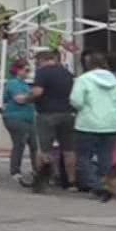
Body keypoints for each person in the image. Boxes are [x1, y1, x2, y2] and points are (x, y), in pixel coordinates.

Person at [71, 51, 116, 197]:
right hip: (111, 123)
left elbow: (76, 101)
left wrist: (83, 109)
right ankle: (106, 183)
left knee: (84, 157)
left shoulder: (83, 79)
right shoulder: (114, 79)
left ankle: (95, 184)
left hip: (87, 123)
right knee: (106, 156)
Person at [28, 47, 77, 192]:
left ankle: (43, 180)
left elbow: (37, 92)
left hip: (47, 114)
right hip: (68, 113)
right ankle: (72, 182)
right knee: (69, 150)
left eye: (37, 62)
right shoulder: (67, 73)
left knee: (44, 149)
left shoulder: (42, 72)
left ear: (42, 60)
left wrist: (25, 98)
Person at [1, 57, 38, 183]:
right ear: (18, 70)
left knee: (34, 144)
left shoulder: (25, 84)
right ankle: (15, 170)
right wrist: (34, 95)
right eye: (26, 70)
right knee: (19, 143)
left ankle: (36, 169)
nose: (28, 73)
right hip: (15, 117)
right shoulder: (13, 83)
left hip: (29, 117)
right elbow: (19, 99)